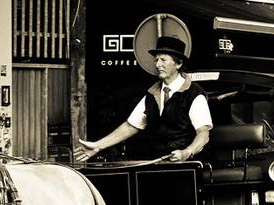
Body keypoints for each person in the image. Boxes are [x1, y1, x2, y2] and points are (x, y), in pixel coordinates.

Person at [74, 35, 212, 162]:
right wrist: (98, 146)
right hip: (155, 163)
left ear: (178, 64)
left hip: (185, 166)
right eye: (156, 60)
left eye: (163, 60)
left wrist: (186, 152)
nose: (158, 64)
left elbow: (203, 133)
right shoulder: (152, 93)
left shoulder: (194, 94)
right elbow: (131, 126)